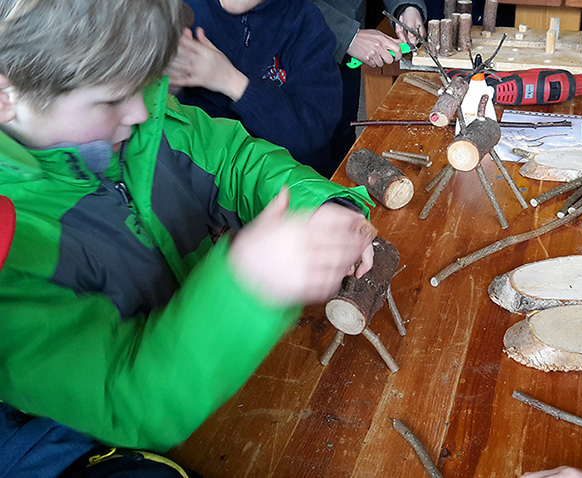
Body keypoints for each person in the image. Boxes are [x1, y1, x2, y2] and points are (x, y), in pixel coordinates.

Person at [0, 0, 375, 476]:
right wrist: (247, 286)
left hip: (234, 389)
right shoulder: (12, 249)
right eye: (112, 98)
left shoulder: (146, 125)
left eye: (146, 83)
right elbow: (126, 398)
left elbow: (236, 158)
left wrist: (320, 203)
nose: (140, 110)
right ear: (6, 96)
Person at [166, 0, 344, 178]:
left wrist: (232, 82)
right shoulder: (178, 9)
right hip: (210, 176)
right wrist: (171, 88)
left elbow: (313, 131)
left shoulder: (304, 21)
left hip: (288, 177)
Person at [310, 0, 427, 165]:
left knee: (342, 149)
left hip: (348, 49)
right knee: (305, 158)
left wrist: (407, 6)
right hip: (291, 56)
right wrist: (346, 35)